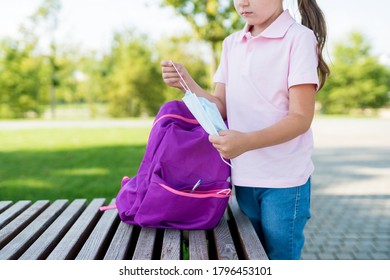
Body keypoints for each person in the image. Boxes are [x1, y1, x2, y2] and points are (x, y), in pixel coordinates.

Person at [161, 0, 329, 260]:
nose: (242, 2)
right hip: (243, 176)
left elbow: (300, 118)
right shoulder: (231, 43)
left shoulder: (299, 38)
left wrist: (246, 142)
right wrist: (187, 83)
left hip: (284, 180)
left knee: (281, 258)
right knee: (254, 256)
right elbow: (221, 106)